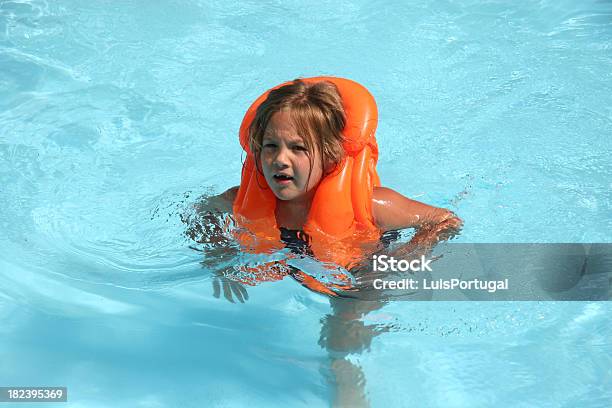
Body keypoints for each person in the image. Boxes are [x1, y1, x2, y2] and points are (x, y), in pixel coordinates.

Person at [187, 77, 462, 299]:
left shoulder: (373, 206)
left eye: (298, 148)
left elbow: (445, 221)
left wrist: (400, 262)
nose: (280, 160)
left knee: (343, 336)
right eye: (271, 146)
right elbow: (203, 210)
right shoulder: (238, 200)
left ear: (330, 156)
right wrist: (217, 253)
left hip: (360, 274)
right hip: (298, 267)